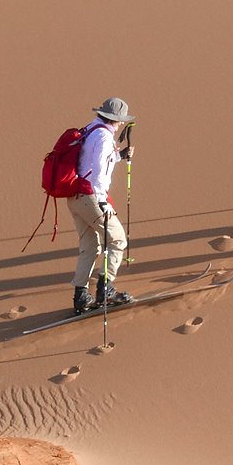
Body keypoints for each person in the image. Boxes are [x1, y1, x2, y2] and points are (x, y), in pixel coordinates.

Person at [68, 97, 136, 314]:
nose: (121, 125)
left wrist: (119, 156)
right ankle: (105, 289)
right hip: (91, 198)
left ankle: (81, 296)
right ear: (115, 120)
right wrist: (102, 202)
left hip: (75, 197)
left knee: (90, 246)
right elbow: (98, 172)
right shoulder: (104, 137)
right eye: (120, 121)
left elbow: (89, 161)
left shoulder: (91, 129)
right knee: (117, 240)